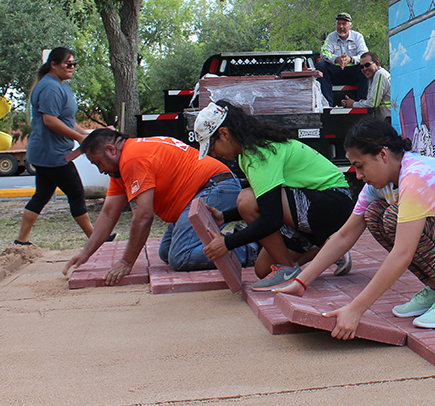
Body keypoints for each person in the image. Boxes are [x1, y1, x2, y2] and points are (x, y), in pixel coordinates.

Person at [276, 119, 435, 336]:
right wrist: (301, 282)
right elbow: (344, 235)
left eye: (360, 166)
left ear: (382, 155)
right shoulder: (379, 185)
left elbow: (403, 252)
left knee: (393, 218)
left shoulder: (416, 176)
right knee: (375, 214)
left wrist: (355, 309)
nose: (358, 175)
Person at [192, 101, 354, 288]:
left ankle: (287, 271)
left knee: (245, 200)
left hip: (333, 202)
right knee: (264, 270)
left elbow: (271, 218)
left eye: (211, 147)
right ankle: (331, 248)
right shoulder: (248, 154)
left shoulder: (260, 154)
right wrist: (225, 216)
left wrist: (228, 243)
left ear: (224, 134)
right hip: (314, 205)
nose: (213, 154)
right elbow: (267, 200)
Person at [61, 129, 256, 284]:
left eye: (98, 163)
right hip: (203, 191)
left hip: (216, 188)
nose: (101, 170)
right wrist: (86, 253)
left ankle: (252, 247)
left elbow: (144, 216)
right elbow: (109, 212)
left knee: (181, 257)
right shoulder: (121, 167)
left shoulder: (132, 159)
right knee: (167, 252)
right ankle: (234, 241)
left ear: (111, 150)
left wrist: (127, 262)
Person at [15, 48, 99, 246]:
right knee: (77, 193)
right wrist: (78, 137)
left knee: (42, 195)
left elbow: (67, 120)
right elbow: (50, 121)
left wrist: (85, 134)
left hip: (49, 153)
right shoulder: (50, 88)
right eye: (67, 64)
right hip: (52, 154)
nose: (71, 68)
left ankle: (21, 240)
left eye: (73, 64)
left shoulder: (61, 85)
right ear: (53, 64)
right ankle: (95, 239)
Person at [315, 12, 368, 104]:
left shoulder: (358, 37)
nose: (341, 27)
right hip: (336, 72)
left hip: (353, 72)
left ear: (350, 26)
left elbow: (364, 55)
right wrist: (337, 59)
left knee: (365, 66)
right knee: (321, 65)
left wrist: (351, 59)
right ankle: (326, 103)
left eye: (344, 24)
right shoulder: (331, 37)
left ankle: (361, 102)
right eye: (339, 24)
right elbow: (324, 53)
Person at [340, 52, 392, 121]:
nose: (365, 69)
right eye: (361, 67)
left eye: (367, 65)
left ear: (377, 63)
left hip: (389, 122)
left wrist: (354, 104)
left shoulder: (380, 74)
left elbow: (372, 103)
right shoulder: (372, 77)